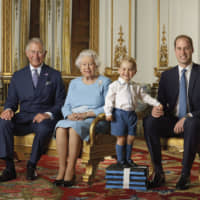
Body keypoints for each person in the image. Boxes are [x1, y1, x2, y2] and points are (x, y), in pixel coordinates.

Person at [0, 38, 66, 181]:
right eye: (32, 52)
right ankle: (9, 168)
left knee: (43, 128)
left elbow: (61, 102)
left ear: (45, 54)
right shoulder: (18, 76)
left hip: (44, 119)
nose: (36, 56)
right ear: (26, 53)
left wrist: (47, 114)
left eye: (39, 52)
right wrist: (8, 110)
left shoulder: (55, 75)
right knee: (3, 122)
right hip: (24, 117)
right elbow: (11, 101)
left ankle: (31, 165)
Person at [144, 34, 200, 190]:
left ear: (192, 49)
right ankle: (159, 173)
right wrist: (157, 108)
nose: (183, 52)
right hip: (172, 121)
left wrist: (189, 116)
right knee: (149, 121)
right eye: (179, 48)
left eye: (186, 48)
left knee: (192, 122)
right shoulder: (167, 75)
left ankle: (185, 174)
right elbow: (161, 100)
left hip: (195, 123)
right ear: (175, 51)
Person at [53, 49, 111, 187]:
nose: (87, 68)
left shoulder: (104, 82)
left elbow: (108, 106)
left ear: (96, 66)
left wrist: (86, 114)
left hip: (94, 120)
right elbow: (66, 105)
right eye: (84, 65)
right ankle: (62, 168)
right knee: (61, 126)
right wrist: (69, 115)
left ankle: (71, 169)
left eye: (90, 64)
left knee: (74, 129)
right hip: (73, 118)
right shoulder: (74, 83)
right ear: (80, 67)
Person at [104, 56, 161, 168]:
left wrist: (156, 103)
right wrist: (108, 113)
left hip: (131, 115)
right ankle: (121, 161)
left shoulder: (135, 86)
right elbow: (108, 100)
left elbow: (145, 97)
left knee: (131, 137)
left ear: (134, 72)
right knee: (121, 138)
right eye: (124, 69)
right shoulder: (114, 86)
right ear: (119, 70)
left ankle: (128, 159)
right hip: (119, 114)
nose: (126, 72)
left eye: (130, 69)